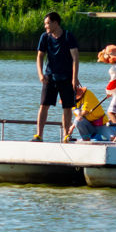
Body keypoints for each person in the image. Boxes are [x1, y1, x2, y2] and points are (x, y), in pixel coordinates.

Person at [33, 12, 80, 141]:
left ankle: (66, 135)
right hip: (50, 77)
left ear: (55, 23)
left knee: (67, 107)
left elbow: (75, 57)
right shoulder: (45, 37)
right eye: (45, 24)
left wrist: (74, 78)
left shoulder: (68, 36)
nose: (46, 26)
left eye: (48, 23)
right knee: (43, 105)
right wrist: (40, 74)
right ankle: (39, 135)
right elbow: (40, 56)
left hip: (66, 77)